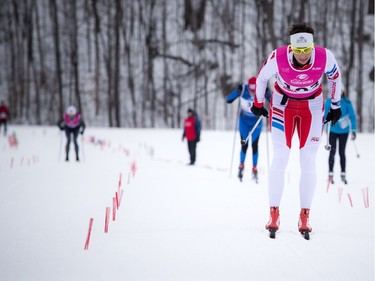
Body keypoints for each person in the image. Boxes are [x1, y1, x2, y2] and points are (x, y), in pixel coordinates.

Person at [250, 22, 342, 239]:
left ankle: (304, 215)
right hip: (283, 104)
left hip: (312, 106)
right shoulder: (278, 57)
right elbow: (262, 77)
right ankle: (274, 213)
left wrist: (336, 106)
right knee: (280, 156)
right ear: (291, 47)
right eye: (298, 50)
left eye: (306, 50)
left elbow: (335, 77)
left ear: (313, 46)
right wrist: (258, 102)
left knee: (308, 160)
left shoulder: (324, 56)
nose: (302, 55)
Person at [226, 77, 270, 182]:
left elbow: (274, 100)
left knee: (255, 145)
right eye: (251, 90)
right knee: (244, 144)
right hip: (244, 121)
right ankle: (241, 166)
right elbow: (228, 100)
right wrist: (238, 90)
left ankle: (254, 169)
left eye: (254, 91)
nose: (253, 93)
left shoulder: (261, 89)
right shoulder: (243, 89)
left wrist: (268, 92)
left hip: (256, 122)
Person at [324, 90, 357, 184]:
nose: (339, 92)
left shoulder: (347, 102)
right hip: (332, 131)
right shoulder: (329, 101)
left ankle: (343, 174)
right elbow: (325, 115)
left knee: (341, 152)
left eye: (341, 90)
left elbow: (352, 116)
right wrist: (322, 128)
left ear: (343, 91)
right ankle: (330, 174)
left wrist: (353, 130)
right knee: (332, 151)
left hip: (344, 131)